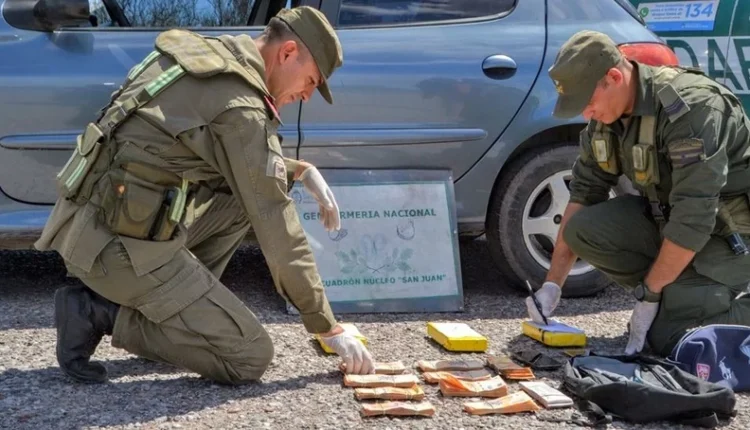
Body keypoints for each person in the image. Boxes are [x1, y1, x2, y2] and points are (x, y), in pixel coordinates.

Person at [36, 6, 375, 384]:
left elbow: (236, 161)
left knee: (239, 200)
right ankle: (99, 312)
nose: (307, 95)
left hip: (96, 222)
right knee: (247, 356)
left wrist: (300, 170)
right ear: (288, 53)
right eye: (311, 80)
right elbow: (275, 219)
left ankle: (177, 314)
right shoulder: (239, 104)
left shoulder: (207, 59)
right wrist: (326, 325)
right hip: (112, 247)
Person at [526, 30, 750, 357]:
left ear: (614, 78)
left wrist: (650, 296)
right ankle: (679, 294)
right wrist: (552, 285)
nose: (585, 114)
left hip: (729, 234)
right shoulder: (609, 114)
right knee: (581, 230)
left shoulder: (690, 108)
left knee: (670, 336)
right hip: (674, 224)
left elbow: (694, 216)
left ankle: (684, 301)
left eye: (587, 102)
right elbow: (584, 191)